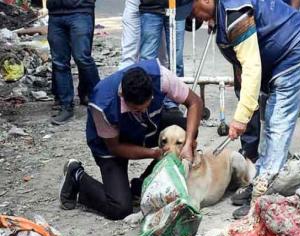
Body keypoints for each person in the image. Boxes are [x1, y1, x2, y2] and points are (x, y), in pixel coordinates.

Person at [191, 0, 300, 218]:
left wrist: (241, 118)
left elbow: (251, 67)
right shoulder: (224, 14)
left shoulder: (235, 12)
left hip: (295, 52)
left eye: (195, 14)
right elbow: (243, 63)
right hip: (280, 58)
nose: (197, 21)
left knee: (278, 123)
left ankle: (265, 196)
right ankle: (262, 179)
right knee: (269, 121)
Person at [59, 59, 203, 220]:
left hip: (147, 127)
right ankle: (77, 177)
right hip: (112, 145)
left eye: (147, 106)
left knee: (186, 130)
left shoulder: (161, 77)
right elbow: (116, 148)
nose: (142, 110)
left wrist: (188, 142)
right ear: (122, 95)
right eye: (136, 109)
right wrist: (155, 153)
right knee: (120, 208)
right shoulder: (102, 105)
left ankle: (142, 185)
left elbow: (194, 102)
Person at [46, 0, 100, 125]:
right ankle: (66, 106)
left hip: (80, 12)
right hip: (55, 14)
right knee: (59, 62)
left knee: (82, 58)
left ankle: (100, 98)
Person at [139, 0, 192, 114]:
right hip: (151, 7)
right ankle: (147, 101)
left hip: (178, 6)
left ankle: (172, 103)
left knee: (176, 59)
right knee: (147, 58)